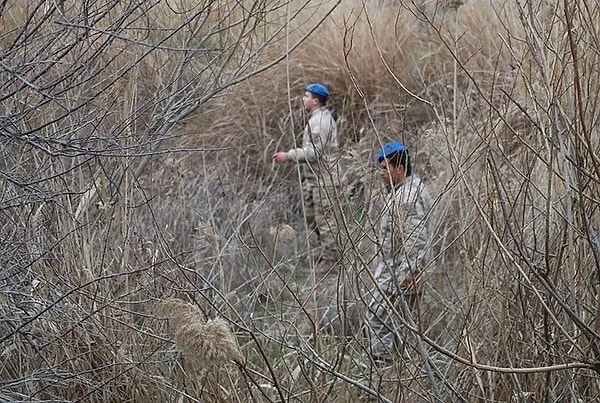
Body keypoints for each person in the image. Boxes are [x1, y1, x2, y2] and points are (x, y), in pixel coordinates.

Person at [366, 140, 433, 361]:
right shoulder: (409, 189)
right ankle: (400, 373)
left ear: (400, 169)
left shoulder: (406, 198)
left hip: (398, 273)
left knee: (378, 318)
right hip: (400, 270)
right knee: (401, 327)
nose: (381, 173)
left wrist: (409, 272)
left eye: (385, 168)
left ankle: (382, 370)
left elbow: (415, 239)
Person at [273, 83, 339, 263]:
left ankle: (333, 260)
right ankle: (326, 254)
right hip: (314, 179)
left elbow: (315, 152)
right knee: (313, 219)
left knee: (325, 222)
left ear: (316, 101)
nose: (303, 99)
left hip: (325, 180)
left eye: (307, 96)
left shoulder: (321, 122)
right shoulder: (316, 119)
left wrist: (288, 155)